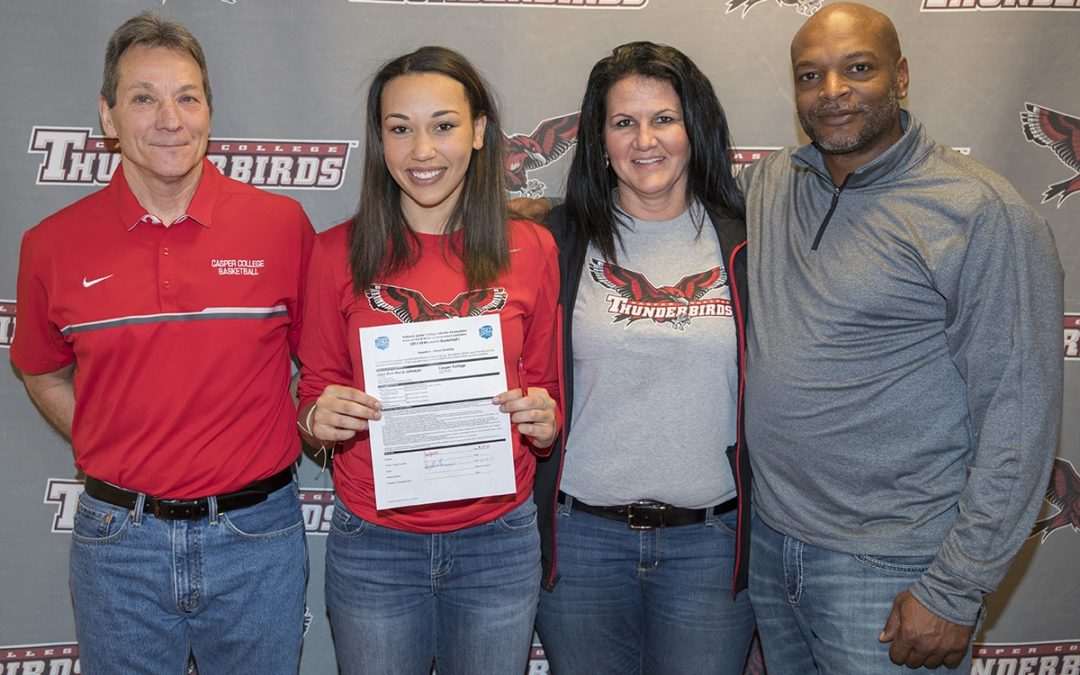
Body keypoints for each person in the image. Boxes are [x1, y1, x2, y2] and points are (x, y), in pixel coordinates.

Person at [741, 3, 1063, 673]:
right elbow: (652, 198)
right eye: (811, 75)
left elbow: (1018, 415)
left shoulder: (980, 212)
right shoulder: (775, 183)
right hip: (772, 548)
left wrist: (954, 590)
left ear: (902, 75)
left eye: (858, 69)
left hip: (893, 568)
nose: (833, 93)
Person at [11, 11, 314, 674]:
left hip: (258, 536)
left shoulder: (281, 226)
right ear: (108, 116)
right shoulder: (51, 245)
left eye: (187, 96)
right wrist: (103, 437)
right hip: (119, 542)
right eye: (143, 98)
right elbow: (39, 371)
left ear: (209, 108)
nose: (169, 118)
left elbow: (318, 367)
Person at [296, 46, 560, 675]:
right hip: (375, 546)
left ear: (478, 132)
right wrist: (318, 420)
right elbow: (313, 393)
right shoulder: (336, 254)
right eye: (400, 128)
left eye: (442, 125)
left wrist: (545, 423)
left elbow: (547, 387)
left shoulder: (533, 248)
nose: (422, 150)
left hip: (498, 539)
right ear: (379, 138)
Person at [533, 41, 755, 675]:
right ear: (600, 138)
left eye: (664, 118)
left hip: (711, 546)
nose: (644, 139)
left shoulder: (750, 243)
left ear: (695, 129)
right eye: (623, 122)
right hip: (581, 545)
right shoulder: (554, 242)